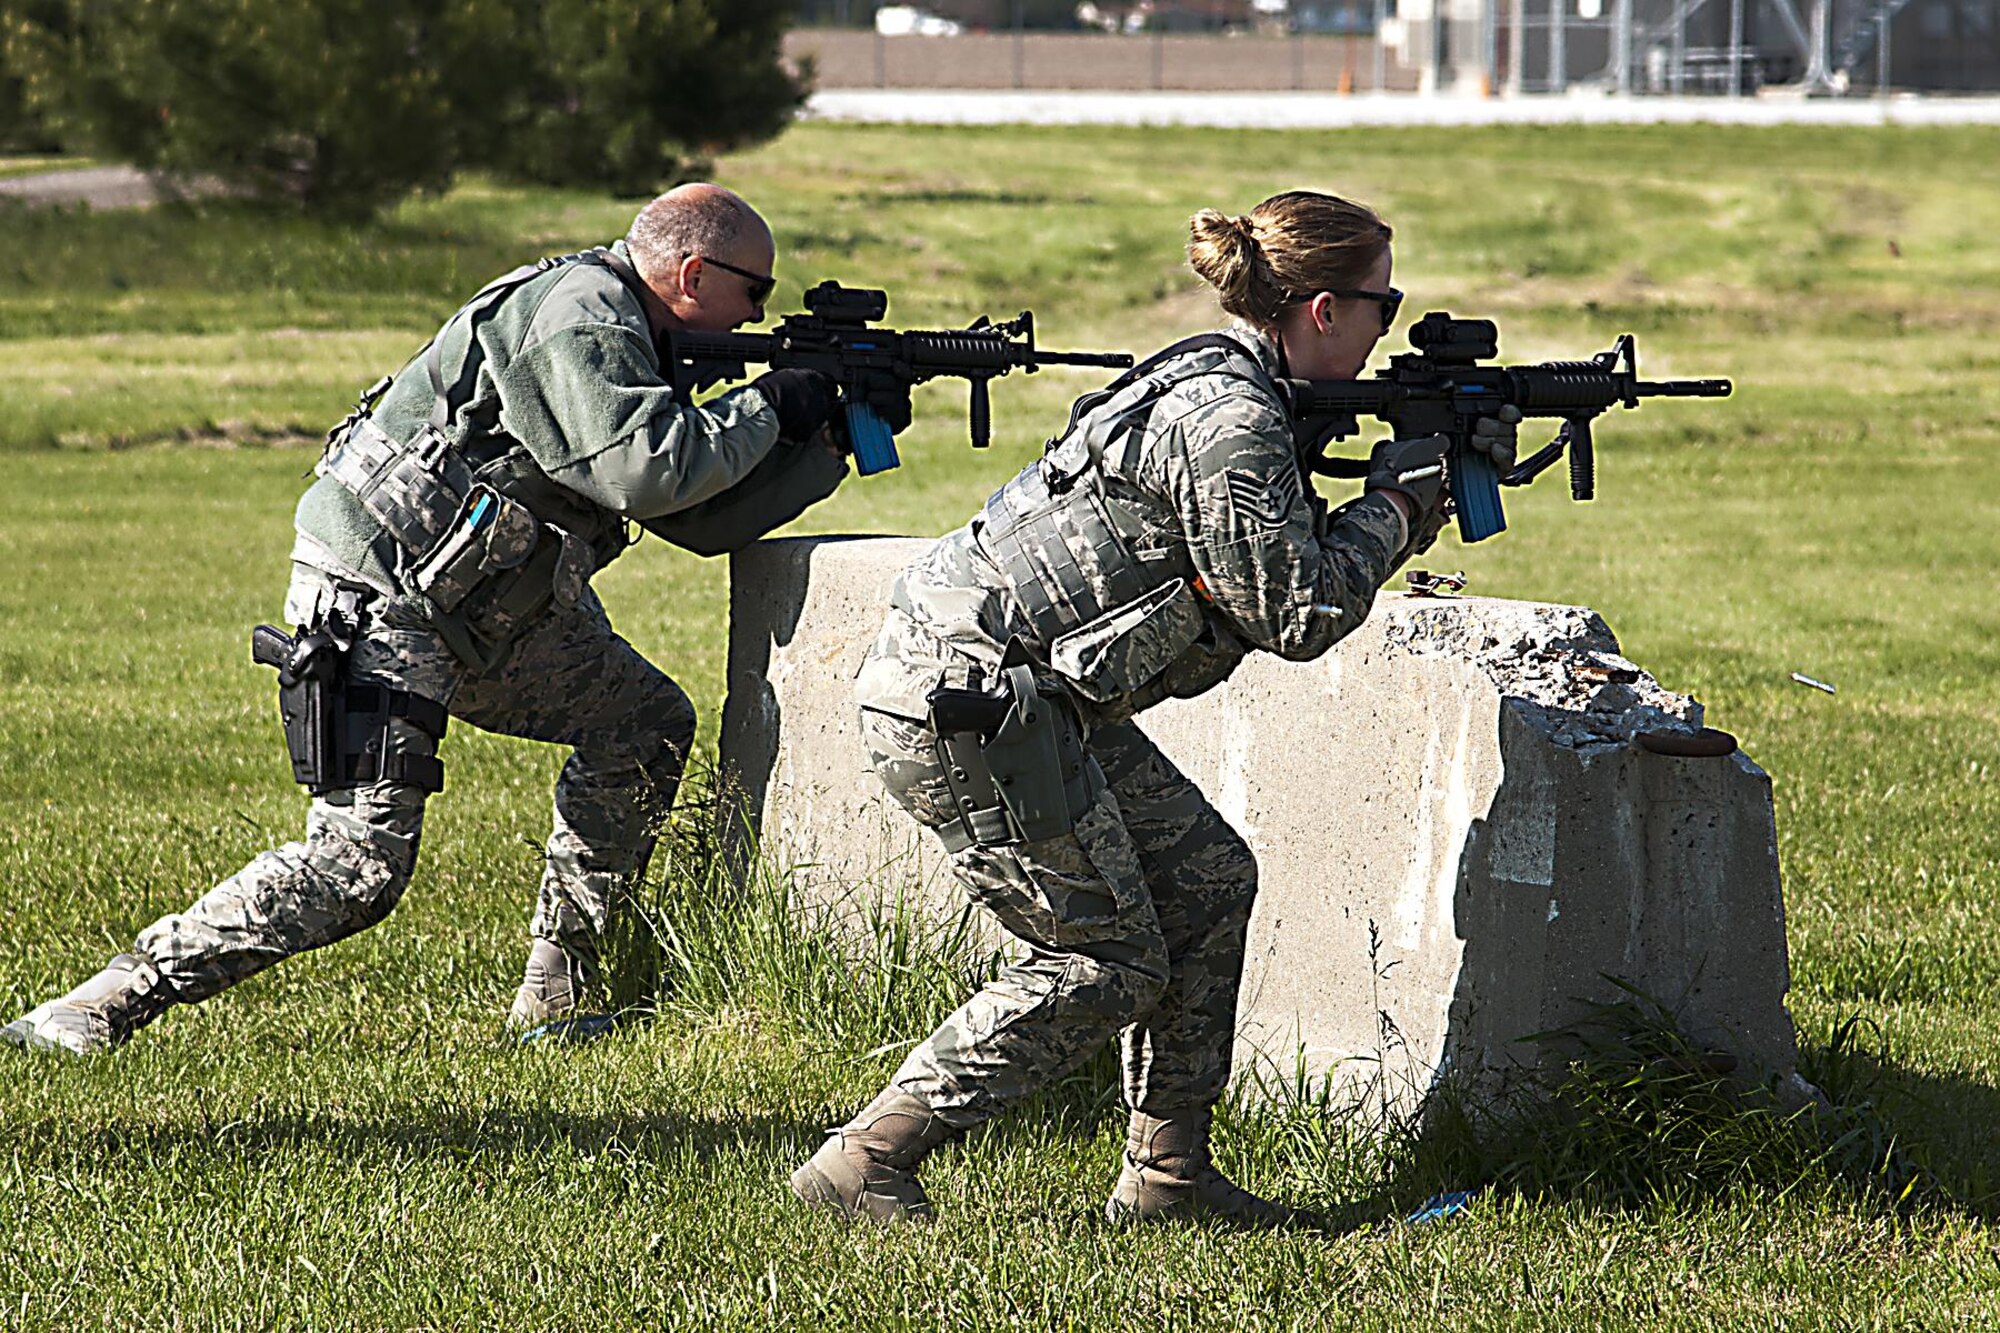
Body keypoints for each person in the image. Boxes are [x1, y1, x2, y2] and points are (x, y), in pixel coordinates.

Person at [5, 183, 875, 1055]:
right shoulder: (585, 315)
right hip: (379, 601)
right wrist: (772, 405)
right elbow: (648, 472)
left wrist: (824, 444)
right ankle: (102, 1000)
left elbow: (694, 519)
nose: (760, 315)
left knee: (643, 724)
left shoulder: (630, 334)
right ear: (691, 273)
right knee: (358, 866)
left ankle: (561, 993)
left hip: (479, 604)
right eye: (755, 293)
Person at [790, 189, 1519, 1228]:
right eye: (1381, 306)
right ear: (1319, 308)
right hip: (972, 702)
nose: (1383, 329)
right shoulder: (1230, 417)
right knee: (1101, 960)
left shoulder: (1216, 377)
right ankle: (866, 1159)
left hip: (1016, 696)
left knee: (1207, 884)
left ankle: (1168, 1175)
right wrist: (1399, 505)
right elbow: (1299, 610)